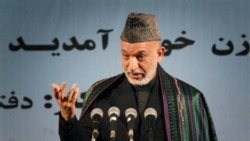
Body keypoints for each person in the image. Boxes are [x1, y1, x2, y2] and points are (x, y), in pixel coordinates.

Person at [51, 12, 218, 141]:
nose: (131, 66)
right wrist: (68, 117)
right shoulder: (101, 94)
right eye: (125, 55)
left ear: (160, 54)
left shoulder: (188, 99)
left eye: (140, 56)